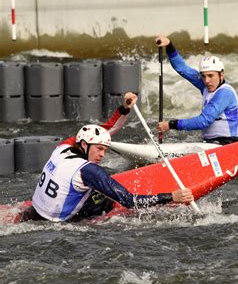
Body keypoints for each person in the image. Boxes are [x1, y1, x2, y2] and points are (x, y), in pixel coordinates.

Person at [20, 92, 194, 222]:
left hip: (33, 213)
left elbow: (104, 130)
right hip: (57, 223)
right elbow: (129, 201)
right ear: (83, 145)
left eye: (105, 149)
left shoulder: (63, 147)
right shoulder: (89, 171)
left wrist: (124, 109)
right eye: (99, 149)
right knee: (105, 199)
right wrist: (172, 197)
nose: (102, 155)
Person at [155, 35, 238, 145]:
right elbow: (182, 68)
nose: (207, 81)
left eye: (211, 76)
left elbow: (204, 121)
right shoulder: (206, 85)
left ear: (221, 74)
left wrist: (171, 124)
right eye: (203, 76)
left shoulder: (225, 93)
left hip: (228, 144)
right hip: (210, 144)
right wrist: (169, 46)